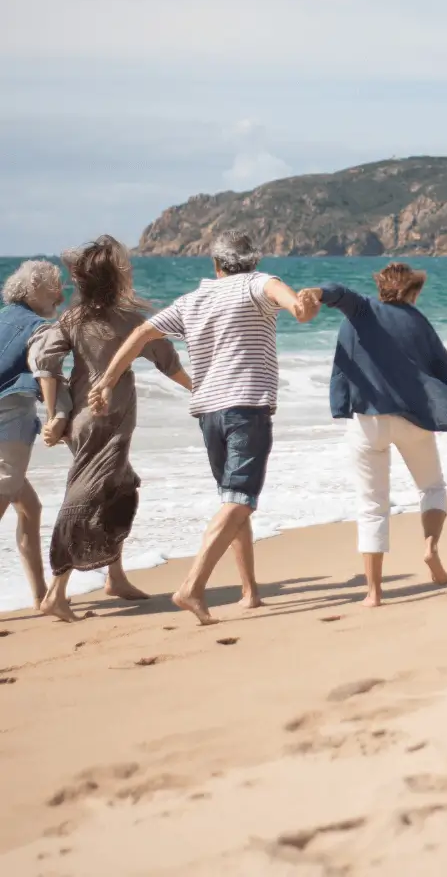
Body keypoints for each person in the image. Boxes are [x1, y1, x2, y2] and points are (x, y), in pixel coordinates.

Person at [90, 230, 316, 625]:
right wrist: (307, 305)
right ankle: (191, 587)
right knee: (240, 499)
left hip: (208, 411)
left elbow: (141, 334)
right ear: (254, 261)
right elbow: (297, 309)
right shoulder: (262, 283)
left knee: (233, 501)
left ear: (215, 265)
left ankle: (250, 592)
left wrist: (107, 380)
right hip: (245, 405)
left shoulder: (193, 300)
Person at [297, 262, 447, 608]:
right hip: (413, 421)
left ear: (380, 286)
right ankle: (430, 547)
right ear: (411, 291)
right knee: (432, 488)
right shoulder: (419, 324)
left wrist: (316, 294)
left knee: (371, 506)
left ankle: (374, 593)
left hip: (367, 424)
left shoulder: (361, 309)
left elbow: (339, 293)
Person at [32, 237, 191, 622]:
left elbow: (46, 361)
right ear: (113, 277)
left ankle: (115, 577)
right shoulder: (130, 317)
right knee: (84, 500)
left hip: (84, 421)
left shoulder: (72, 319)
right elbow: (166, 360)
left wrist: (57, 413)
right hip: (109, 420)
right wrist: (198, 388)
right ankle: (56, 591)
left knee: (118, 491)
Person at [0, 260, 68, 607]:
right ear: (32, 290)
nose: (61, 293)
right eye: (54, 286)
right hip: (8, 417)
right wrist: (57, 412)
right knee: (6, 489)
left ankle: (41, 595)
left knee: (29, 507)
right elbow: (44, 367)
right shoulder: (39, 327)